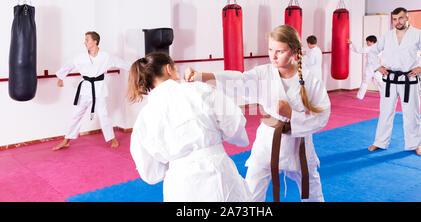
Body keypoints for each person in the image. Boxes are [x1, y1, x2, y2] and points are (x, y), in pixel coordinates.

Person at [185, 25, 331, 202]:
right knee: (251, 190)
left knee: (312, 189)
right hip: (268, 139)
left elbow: (322, 115)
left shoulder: (310, 79)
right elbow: (237, 80)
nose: (273, 56)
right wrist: (202, 75)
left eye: (280, 51)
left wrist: (292, 114)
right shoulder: (263, 73)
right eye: (270, 49)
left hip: (298, 143)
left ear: (293, 51)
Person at [128, 52, 252, 202]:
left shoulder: (143, 119)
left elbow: (151, 174)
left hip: (179, 184)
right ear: (169, 69)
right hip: (217, 173)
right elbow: (234, 125)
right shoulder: (199, 90)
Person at [368, 7, 421, 156]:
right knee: (385, 113)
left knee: (412, 113)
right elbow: (373, 51)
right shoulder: (387, 36)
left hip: (409, 80)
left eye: (401, 18)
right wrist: (378, 66)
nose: (397, 22)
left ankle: (415, 144)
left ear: (407, 18)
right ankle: (380, 142)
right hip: (390, 79)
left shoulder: (418, 35)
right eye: (395, 19)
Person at [52, 31, 130, 150]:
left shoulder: (106, 56)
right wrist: (61, 77)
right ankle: (67, 139)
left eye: (87, 40)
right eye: (85, 40)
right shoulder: (81, 57)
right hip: (86, 89)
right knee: (77, 114)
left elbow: (122, 63)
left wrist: (138, 68)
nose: (85, 42)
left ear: (95, 41)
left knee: (103, 114)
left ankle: (112, 138)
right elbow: (69, 64)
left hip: (99, 89)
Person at [347, 35, 383, 99]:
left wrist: (351, 44)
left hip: (371, 68)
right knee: (380, 82)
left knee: (365, 82)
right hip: (377, 68)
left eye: (368, 42)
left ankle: (360, 96)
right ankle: (385, 96)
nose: (367, 43)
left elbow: (359, 50)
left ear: (372, 42)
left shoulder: (369, 48)